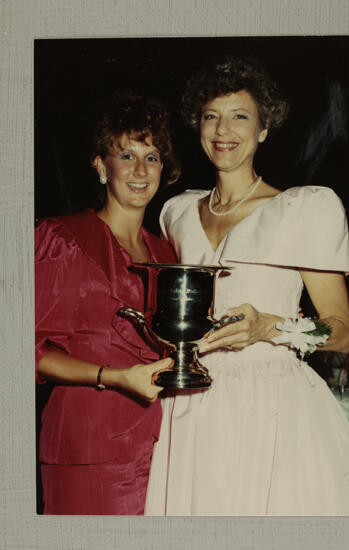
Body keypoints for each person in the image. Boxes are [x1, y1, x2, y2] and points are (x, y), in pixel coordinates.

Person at [145, 56, 349, 516]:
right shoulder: (175, 214)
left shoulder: (305, 209)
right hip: (190, 407)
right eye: (211, 116)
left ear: (263, 129)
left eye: (240, 116)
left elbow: (340, 331)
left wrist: (269, 328)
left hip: (274, 409)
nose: (224, 130)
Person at [35, 92, 179, 515]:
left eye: (151, 157)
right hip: (86, 445)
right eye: (126, 155)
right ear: (101, 166)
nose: (140, 170)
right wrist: (113, 376)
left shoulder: (167, 253)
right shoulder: (62, 238)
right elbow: (26, 351)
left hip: (162, 446)